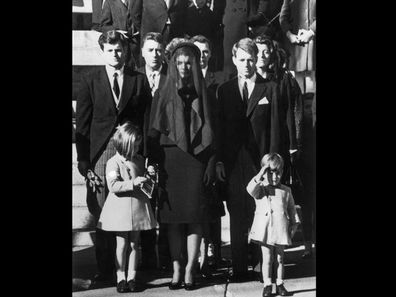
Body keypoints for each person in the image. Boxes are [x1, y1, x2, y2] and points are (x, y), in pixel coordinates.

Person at [75, 30, 152, 285]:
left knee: (129, 209)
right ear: (103, 51)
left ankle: (132, 270)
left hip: (131, 152)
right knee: (101, 210)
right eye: (110, 50)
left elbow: (145, 120)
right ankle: (106, 269)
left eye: (119, 49)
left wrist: (145, 155)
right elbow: (83, 125)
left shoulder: (138, 80)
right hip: (101, 152)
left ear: (125, 51)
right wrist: (83, 161)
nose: (115, 54)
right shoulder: (90, 79)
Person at [148, 40, 216, 290]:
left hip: (196, 160)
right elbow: (152, 131)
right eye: (179, 62)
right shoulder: (162, 91)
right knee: (174, 219)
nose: (184, 66)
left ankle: (190, 269)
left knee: (195, 217)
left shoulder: (203, 92)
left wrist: (210, 163)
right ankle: (177, 266)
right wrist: (152, 163)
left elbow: (211, 131)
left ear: (195, 64)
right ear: (173, 64)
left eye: (189, 62)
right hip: (170, 159)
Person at [216, 37, 283, 281]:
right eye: (242, 60)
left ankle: (260, 265)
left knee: (262, 212)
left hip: (261, 163)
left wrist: (273, 163)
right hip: (234, 163)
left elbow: (276, 127)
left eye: (250, 59)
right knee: (237, 214)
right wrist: (220, 161)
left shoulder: (271, 88)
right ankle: (240, 267)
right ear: (234, 60)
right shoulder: (224, 91)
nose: (246, 64)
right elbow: (220, 130)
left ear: (257, 60)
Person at [97, 122, 158, 293]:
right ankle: (120, 277)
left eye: (138, 145)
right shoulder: (113, 162)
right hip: (120, 210)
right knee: (121, 244)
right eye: (135, 145)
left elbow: (147, 183)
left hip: (137, 208)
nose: (137, 148)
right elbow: (113, 185)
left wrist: (149, 175)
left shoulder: (140, 160)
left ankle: (132, 276)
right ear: (124, 144)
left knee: (134, 244)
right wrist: (133, 183)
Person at [191, 34, 226, 276]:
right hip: (192, 153)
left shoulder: (219, 81)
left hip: (213, 150)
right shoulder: (185, 79)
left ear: (210, 54)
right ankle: (194, 256)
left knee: (213, 205)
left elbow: (222, 124)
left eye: (205, 51)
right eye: (197, 51)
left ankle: (214, 251)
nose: (201, 55)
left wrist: (219, 157)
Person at [247, 153, 300, 296]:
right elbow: (249, 188)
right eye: (271, 173)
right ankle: (267, 284)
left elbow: (292, 209)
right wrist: (261, 173)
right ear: (265, 173)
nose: (275, 177)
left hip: (280, 229)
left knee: (280, 258)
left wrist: (294, 225)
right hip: (265, 231)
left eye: (278, 173)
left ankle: (280, 283)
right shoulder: (260, 189)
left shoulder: (286, 191)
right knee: (267, 259)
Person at [137, 32, 169, 270]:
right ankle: (148, 259)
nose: (155, 54)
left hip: (166, 149)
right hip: (140, 148)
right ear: (142, 53)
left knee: (165, 204)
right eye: (150, 50)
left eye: (159, 50)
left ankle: (166, 257)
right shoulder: (135, 78)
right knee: (144, 203)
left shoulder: (171, 77)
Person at [254, 35, 303, 182]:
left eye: (266, 52)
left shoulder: (284, 79)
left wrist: (295, 143)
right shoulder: (249, 79)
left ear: (271, 54)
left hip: (280, 139)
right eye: (257, 51)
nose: (261, 56)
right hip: (258, 140)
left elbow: (294, 111)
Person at [279, 0, 316, 95]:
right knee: (297, 83)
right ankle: (300, 106)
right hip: (297, 46)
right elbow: (283, 18)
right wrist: (289, 35)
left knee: (311, 82)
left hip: (313, 46)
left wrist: (311, 32)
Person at [100, 0, 142, 68]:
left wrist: (140, 30)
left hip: (136, 43)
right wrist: (117, 32)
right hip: (120, 45)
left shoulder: (138, 1)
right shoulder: (109, 2)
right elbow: (104, 26)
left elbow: (145, 19)